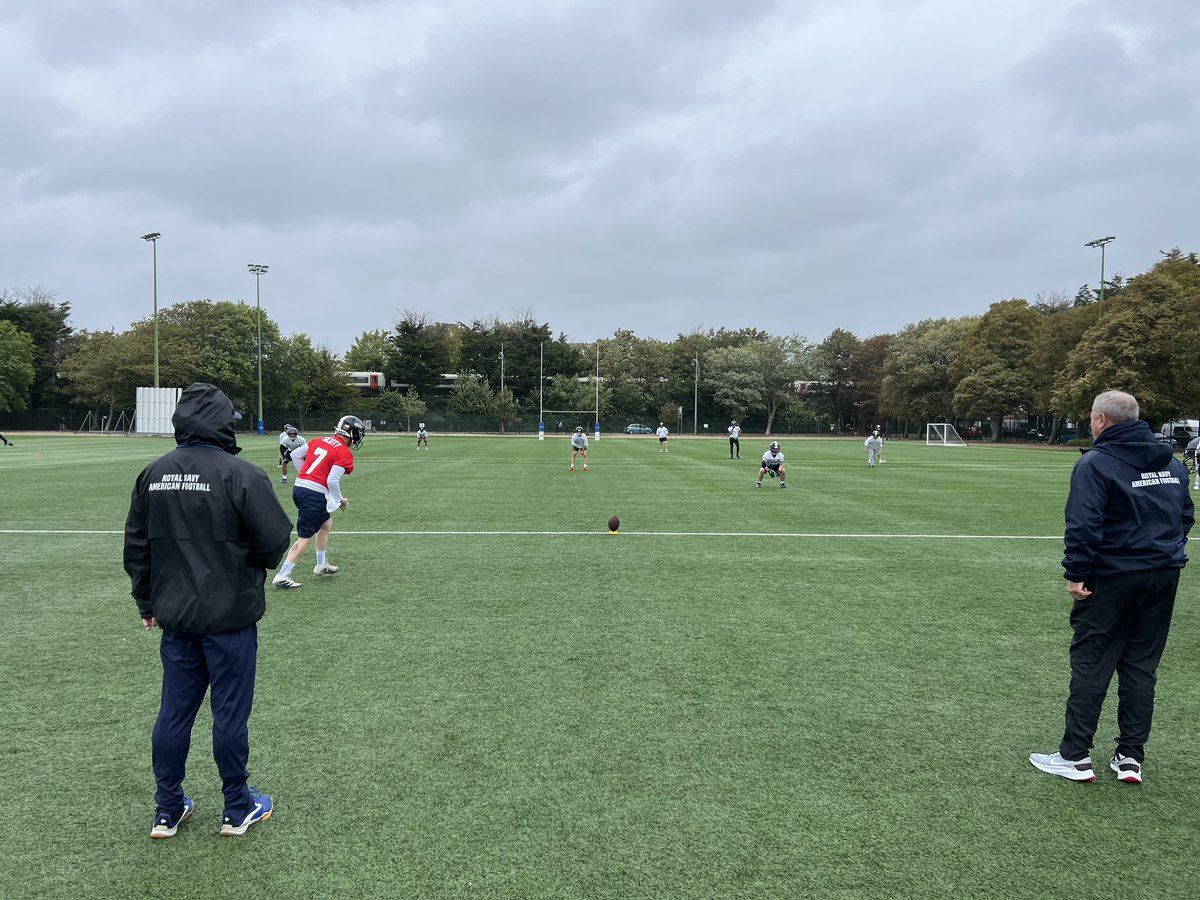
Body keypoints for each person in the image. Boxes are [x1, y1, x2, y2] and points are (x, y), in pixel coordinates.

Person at [124, 383, 292, 839]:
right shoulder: (242, 474)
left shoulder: (153, 474)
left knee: (174, 712)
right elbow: (276, 541)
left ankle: (167, 808)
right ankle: (237, 807)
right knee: (230, 714)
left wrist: (146, 602)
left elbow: (137, 548)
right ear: (224, 421)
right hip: (230, 617)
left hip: (175, 616)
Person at [1030, 390, 1193, 784]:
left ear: (1101, 420)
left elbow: (1083, 525)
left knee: (1093, 661)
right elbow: (1185, 516)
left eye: (1090, 417)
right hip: (1163, 575)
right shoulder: (1171, 464)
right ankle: (1130, 757)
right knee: (1140, 666)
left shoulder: (1096, 463)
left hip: (1114, 576)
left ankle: (1075, 756)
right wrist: (1164, 553)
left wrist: (1076, 572)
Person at [272, 415, 364, 589]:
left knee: (326, 523)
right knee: (305, 537)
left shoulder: (319, 440)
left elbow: (295, 454)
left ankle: (321, 564)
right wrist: (339, 501)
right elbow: (332, 481)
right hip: (313, 494)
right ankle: (282, 575)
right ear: (352, 433)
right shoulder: (343, 451)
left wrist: (306, 474)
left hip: (300, 488)